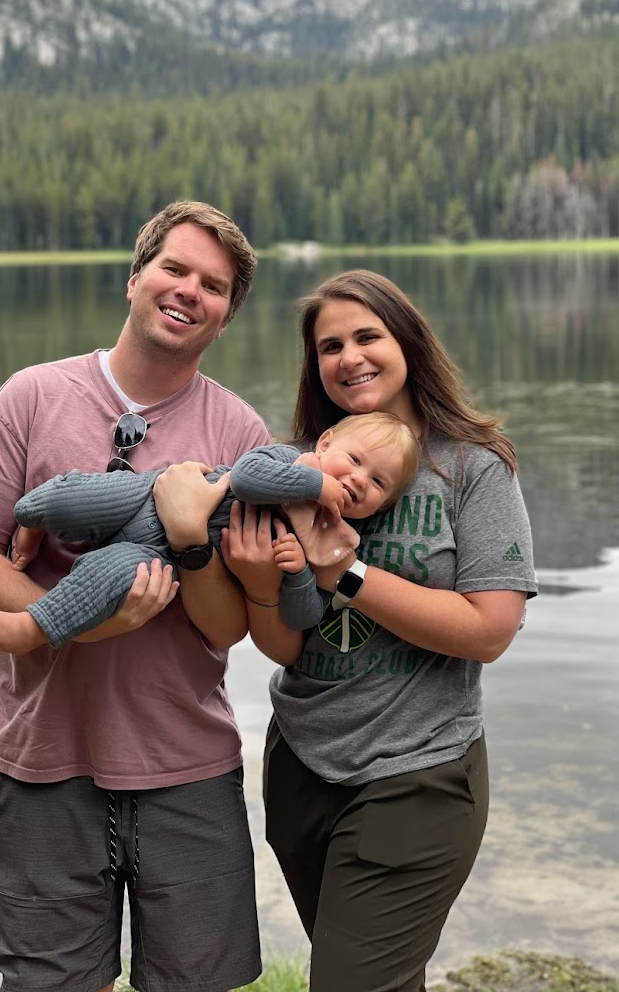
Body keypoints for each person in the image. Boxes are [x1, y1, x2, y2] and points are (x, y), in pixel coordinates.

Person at [0, 200, 272, 992]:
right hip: (39, 764)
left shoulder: (242, 435)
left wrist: (189, 544)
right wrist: (69, 624)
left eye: (214, 287)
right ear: (135, 277)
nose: (190, 291)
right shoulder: (30, 397)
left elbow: (229, 630)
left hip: (185, 766)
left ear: (224, 318)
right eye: (175, 269)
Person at [219, 268, 538, 992]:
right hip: (302, 762)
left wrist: (348, 575)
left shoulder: (473, 469)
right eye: (330, 345)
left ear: (408, 343)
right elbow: (285, 647)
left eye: (368, 336)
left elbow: (490, 631)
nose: (350, 357)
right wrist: (265, 587)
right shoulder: (301, 472)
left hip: (419, 771)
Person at [0, 411, 419, 654]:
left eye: (376, 483)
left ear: (383, 503)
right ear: (325, 444)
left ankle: (33, 626)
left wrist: (298, 575)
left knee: (115, 574)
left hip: (160, 551)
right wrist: (316, 482)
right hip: (147, 495)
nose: (358, 480)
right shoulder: (287, 461)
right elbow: (245, 480)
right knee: (70, 500)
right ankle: (30, 518)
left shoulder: (326, 539)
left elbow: (302, 619)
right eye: (355, 461)